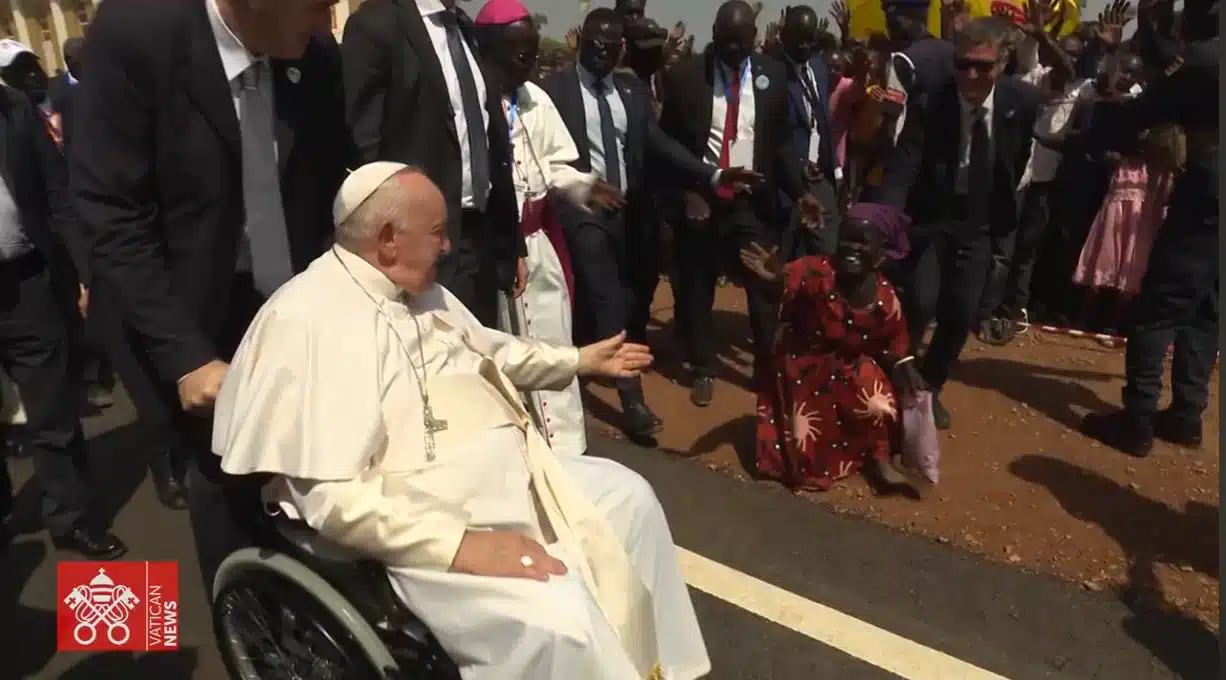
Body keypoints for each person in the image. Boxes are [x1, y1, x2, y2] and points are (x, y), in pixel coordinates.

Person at [212, 162, 712, 680]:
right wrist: (460, 544)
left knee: (631, 499)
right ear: (387, 239)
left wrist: (577, 361)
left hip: (508, 477)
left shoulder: (419, 288)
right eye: (437, 233)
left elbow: (491, 351)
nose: (449, 246)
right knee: (560, 614)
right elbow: (334, 501)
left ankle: (663, 670)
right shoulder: (309, 319)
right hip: (419, 517)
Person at [72, 0, 354, 585]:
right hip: (180, 312)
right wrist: (186, 357)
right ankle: (235, 623)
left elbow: (328, 185)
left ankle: (302, 616)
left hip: (282, 302)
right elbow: (112, 214)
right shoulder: (134, 35)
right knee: (220, 478)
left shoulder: (314, 57)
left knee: (303, 467)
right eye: (320, 5)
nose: (329, 20)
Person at [543, 7, 760, 438]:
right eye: (593, 44)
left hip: (633, 213)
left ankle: (595, 356)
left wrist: (711, 175)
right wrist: (581, 187)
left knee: (631, 297)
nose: (602, 52)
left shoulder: (630, 91)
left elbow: (661, 146)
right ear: (581, 42)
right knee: (606, 297)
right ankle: (633, 400)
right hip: (582, 214)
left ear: (620, 48)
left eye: (610, 45)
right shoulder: (552, 91)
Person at [877, 16, 1042, 430]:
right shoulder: (932, 99)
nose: (970, 74)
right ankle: (896, 379)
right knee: (921, 301)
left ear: (1003, 63)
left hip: (980, 218)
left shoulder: (1021, 102)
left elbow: (1016, 157)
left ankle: (930, 387)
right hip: (931, 215)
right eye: (963, 63)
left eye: (982, 66)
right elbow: (906, 161)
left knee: (961, 311)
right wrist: (886, 216)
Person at [659, 0, 820, 408]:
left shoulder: (773, 75)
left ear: (754, 38)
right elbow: (669, 144)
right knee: (697, 288)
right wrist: (687, 191)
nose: (733, 49)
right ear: (713, 34)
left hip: (752, 199)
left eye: (741, 42)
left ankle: (766, 367)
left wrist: (800, 193)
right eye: (725, 41)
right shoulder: (685, 76)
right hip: (703, 197)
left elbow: (780, 143)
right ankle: (704, 367)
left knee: (764, 281)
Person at [1078, 0, 1218, 457]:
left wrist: (1093, 131)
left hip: (1208, 192)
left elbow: (1152, 106)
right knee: (1207, 307)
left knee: (1160, 305)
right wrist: (1153, 30)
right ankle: (1185, 414)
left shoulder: (1209, 59)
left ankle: (1136, 419)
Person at [342, 0, 525, 328]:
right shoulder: (377, 26)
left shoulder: (464, 30)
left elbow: (491, 140)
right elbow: (363, 147)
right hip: (417, 247)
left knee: (478, 363)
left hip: (478, 242)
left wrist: (511, 242)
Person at [470, 0, 600, 456]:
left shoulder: (537, 99)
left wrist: (584, 185)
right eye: (517, 52)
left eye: (531, 51)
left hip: (537, 248)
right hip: (491, 253)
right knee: (502, 358)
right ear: (487, 49)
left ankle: (566, 452)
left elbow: (556, 165)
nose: (529, 61)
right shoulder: (471, 99)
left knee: (553, 349)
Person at [0, 80, 121, 559]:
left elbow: (57, 192)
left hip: (28, 279)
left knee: (51, 410)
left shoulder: (13, 107)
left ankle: (69, 519)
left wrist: (83, 272)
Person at [740, 203, 920, 492]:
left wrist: (904, 361)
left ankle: (878, 458)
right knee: (802, 456)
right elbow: (783, 283)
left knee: (879, 404)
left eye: (862, 242)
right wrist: (773, 281)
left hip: (848, 365)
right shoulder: (815, 270)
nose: (851, 247)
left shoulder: (885, 296)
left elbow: (896, 336)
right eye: (847, 238)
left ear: (880, 253)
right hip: (802, 364)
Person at [777, 5, 841, 258]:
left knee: (827, 256)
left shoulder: (818, 68)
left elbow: (822, 123)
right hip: (787, 182)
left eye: (809, 39)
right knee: (786, 260)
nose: (804, 45)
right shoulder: (772, 73)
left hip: (820, 178)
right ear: (784, 35)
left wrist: (835, 172)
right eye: (798, 38)